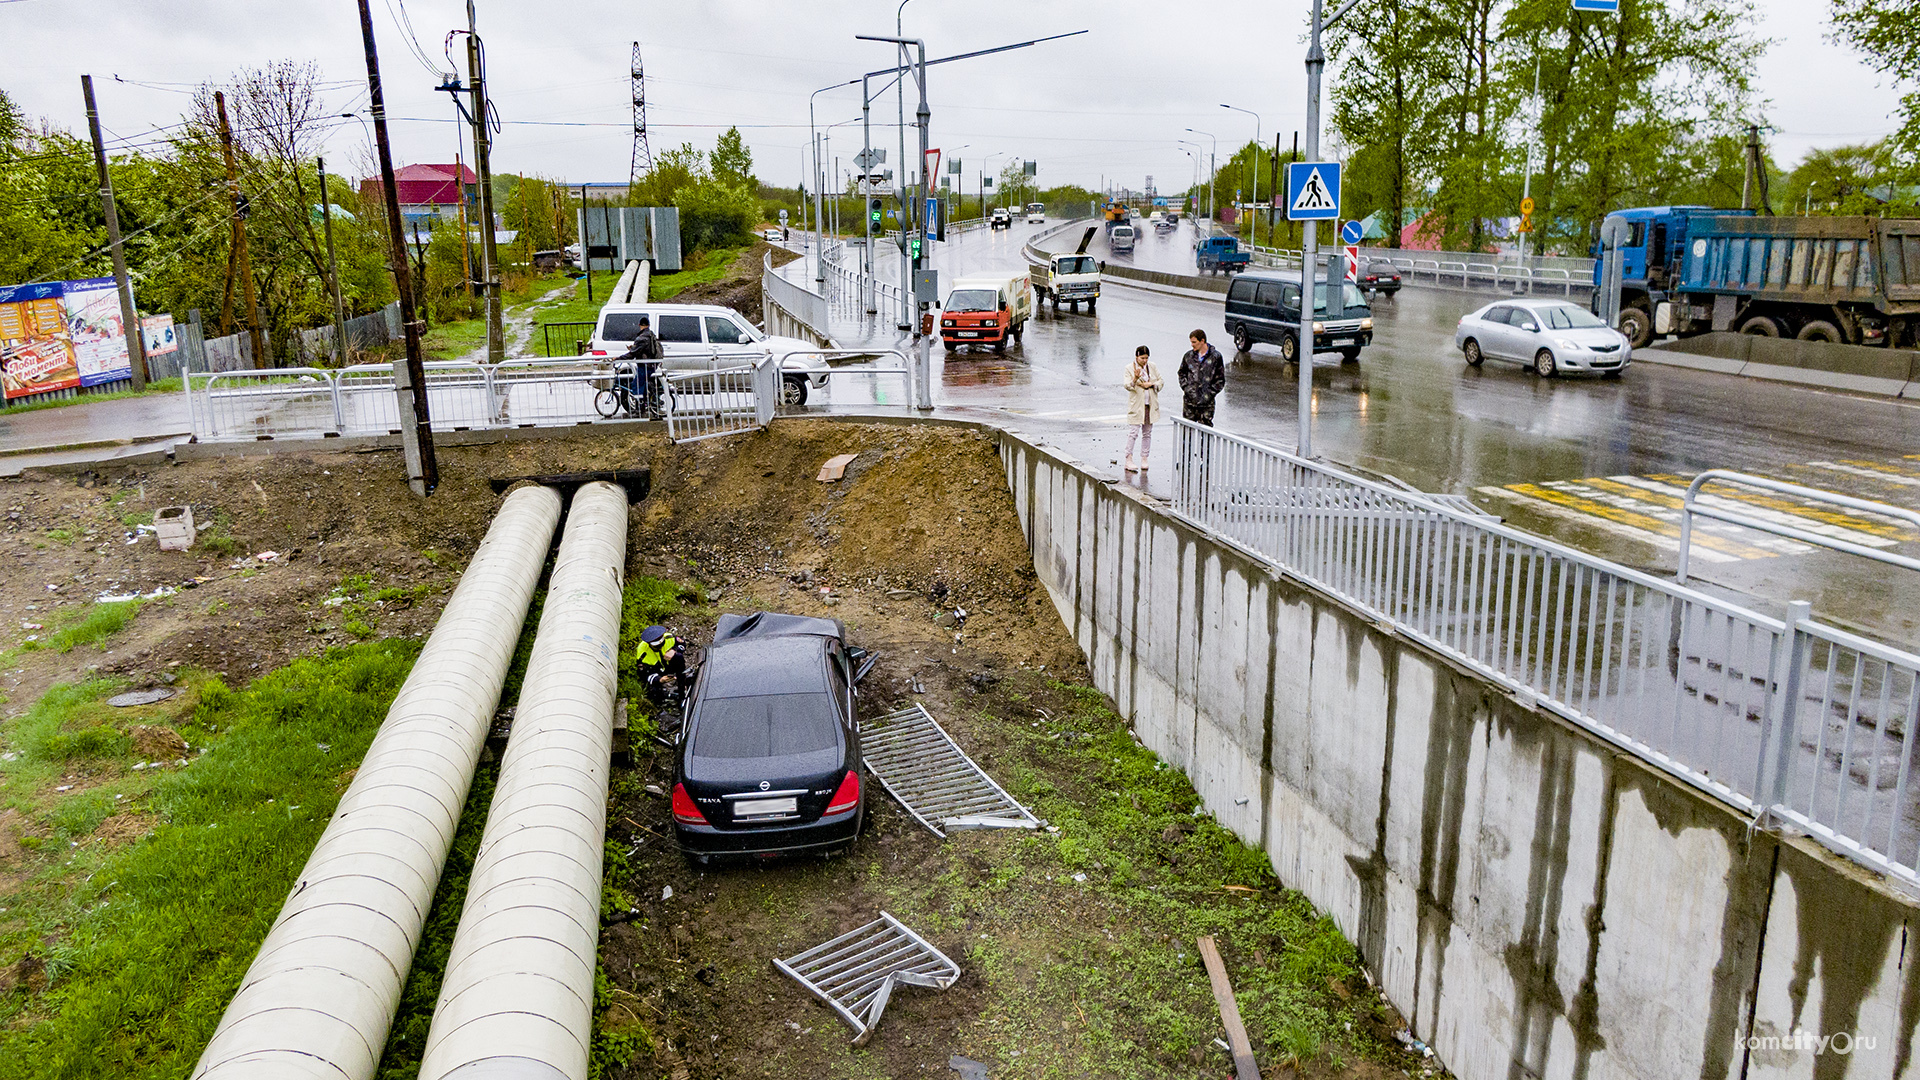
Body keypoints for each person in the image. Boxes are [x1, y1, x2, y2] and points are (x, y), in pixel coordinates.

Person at [1123, 345, 1162, 472]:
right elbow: (1127, 386)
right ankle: (1128, 458)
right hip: (1136, 405)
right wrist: (1135, 378)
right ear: (1136, 357)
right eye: (1142, 358)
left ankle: (1144, 458)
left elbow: (1161, 382)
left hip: (1149, 404)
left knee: (1147, 432)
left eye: (1146, 358)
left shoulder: (1152, 367)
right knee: (1133, 432)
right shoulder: (1129, 368)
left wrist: (1151, 384)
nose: (1144, 361)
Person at [616, 314, 663, 416]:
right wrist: (634, 347)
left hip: (645, 365)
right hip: (652, 365)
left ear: (639, 325)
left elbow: (632, 354)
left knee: (636, 385)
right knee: (643, 383)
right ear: (648, 325)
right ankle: (646, 402)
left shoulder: (642, 338)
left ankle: (640, 409)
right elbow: (646, 349)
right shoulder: (651, 335)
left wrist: (618, 358)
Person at [1177, 328, 1226, 427]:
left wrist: (1209, 394)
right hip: (1189, 403)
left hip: (1206, 405)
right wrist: (1187, 389)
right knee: (1187, 433)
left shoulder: (1215, 357)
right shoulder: (1188, 356)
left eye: (1194, 342)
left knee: (1206, 435)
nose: (1192, 345)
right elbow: (1182, 373)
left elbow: (1220, 380)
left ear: (1202, 341)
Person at [635, 624, 687, 704]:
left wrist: (674, 650)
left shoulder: (669, 638)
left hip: (670, 664)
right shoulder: (642, 653)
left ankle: (682, 689)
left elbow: (682, 644)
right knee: (654, 690)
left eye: (661, 645)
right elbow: (644, 674)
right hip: (656, 670)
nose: (660, 648)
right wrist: (659, 679)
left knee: (678, 657)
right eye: (656, 647)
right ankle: (660, 700)